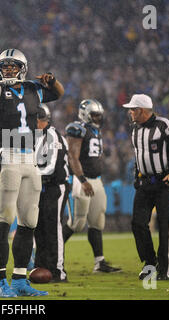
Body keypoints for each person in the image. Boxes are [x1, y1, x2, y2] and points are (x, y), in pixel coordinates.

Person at [0, 48, 64, 297]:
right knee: (3, 221)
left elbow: (59, 93)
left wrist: (53, 80)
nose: (8, 70)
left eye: (13, 66)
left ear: (22, 68)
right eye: (5, 66)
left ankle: (19, 279)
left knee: (28, 222)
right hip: (6, 158)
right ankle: (0, 283)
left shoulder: (32, 88)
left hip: (30, 160)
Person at [122, 94, 169, 281]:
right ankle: (150, 263)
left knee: (164, 225)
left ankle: (165, 269)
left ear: (142, 110)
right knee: (138, 223)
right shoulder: (135, 130)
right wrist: (136, 176)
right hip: (145, 182)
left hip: (164, 182)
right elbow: (139, 157)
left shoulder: (163, 125)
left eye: (133, 109)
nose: (130, 112)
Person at [62, 99, 122, 273]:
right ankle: (52, 257)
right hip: (81, 181)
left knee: (97, 221)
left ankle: (99, 263)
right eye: (94, 115)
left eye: (98, 115)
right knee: (76, 223)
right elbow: (73, 157)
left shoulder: (96, 131)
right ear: (85, 114)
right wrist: (82, 179)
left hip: (96, 180)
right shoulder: (77, 128)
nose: (97, 118)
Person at [34, 104, 71, 282]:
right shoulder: (34, 136)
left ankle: (58, 271)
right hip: (41, 186)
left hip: (55, 186)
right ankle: (41, 267)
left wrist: (29, 173)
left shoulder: (54, 136)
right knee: (39, 228)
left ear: (39, 119)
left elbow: (51, 168)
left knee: (52, 227)